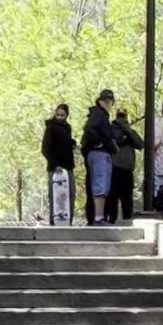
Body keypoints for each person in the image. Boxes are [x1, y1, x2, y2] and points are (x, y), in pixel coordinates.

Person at [81, 89, 119, 225]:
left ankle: (98, 216)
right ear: (108, 101)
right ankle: (98, 217)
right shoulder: (98, 114)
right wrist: (100, 142)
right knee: (101, 183)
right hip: (100, 153)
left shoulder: (99, 115)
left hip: (98, 153)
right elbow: (90, 129)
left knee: (100, 183)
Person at [41, 103, 77, 225]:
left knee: (70, 193)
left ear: (66, 115)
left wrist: (71, 142)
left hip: (68, 167)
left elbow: (64, 143)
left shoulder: (67, 128)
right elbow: (45, 148)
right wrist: (54, 163)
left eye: (62, 115)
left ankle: (68, 221)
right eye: (58, 115)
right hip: (55, 168)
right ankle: (54, 221)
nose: (60, 117)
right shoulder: (51, 127)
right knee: (55, 195)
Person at [107, 108, 144, 224]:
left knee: (127, 200)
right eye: (119, 116)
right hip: (114, 169)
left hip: (127, 170)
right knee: (112, 199)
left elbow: (140, 144)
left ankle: (128, 221)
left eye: (123, 116)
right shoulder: (110, 131)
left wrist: (127, 130)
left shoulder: (130, 132)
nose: (121, 119)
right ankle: (111, 221)